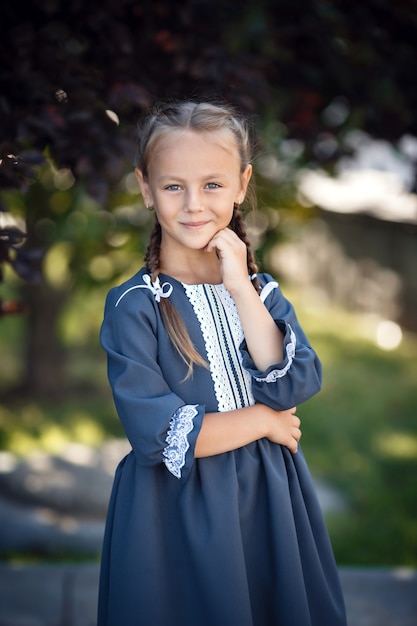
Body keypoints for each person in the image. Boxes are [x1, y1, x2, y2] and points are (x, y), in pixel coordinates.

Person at [98, 100, 347, 626]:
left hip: (271, 498)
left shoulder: (260, 293)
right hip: (176, 510)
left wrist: (239, 287)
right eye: (173, 186)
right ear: (145, 188)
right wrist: (261, 421)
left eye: (213, 184)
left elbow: (296, 382)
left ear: (241, 184)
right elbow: (158, 435)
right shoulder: (135, 305)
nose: (193, 204)